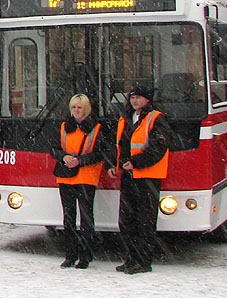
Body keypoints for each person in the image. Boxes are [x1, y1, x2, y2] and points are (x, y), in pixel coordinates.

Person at [115, 83, 173, 274]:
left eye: (138, 97)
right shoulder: (126, 118)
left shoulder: (156, 118)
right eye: (132, 97)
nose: (134, 100)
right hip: (129, 175)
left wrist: (136, 162)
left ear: (147, 100)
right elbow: (122, 144)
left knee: (145, 221)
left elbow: (159, 147)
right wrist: (121, 163)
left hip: (148, 177)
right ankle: (130, 259)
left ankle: (143, 261)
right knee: (126, 220)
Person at [52, 94, 114, 269]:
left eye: (80, 108)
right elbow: (54, 148)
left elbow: (100, 152)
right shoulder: (64, 127)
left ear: (86, 110)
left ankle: (85, 256)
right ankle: (70, 255)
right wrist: (63, 157)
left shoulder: (97, 129)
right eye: (74, 108)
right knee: (68, 218)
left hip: (86, 177)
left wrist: (80, 160)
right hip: (65, 176)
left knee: (86, 219)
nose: (76, 111)